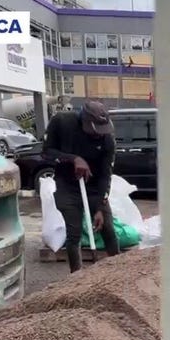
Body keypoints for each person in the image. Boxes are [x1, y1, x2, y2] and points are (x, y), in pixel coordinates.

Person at [42, 100, 120, 273]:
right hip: (67, 186)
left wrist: (100, 205)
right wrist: (73, 159)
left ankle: (119, 274)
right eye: (95, 131)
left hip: (94, 189)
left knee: (107, 227)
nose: (99, 135)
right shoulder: (62, 122)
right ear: (84, 121)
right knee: (74, 232)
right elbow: (46, 153)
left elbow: (106, 175)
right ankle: (77, 278)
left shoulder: (107, 140)